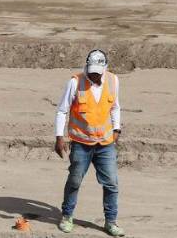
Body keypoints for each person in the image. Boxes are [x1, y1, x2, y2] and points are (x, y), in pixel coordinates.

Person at [54, 50, 124, 237]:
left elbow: (115, 107)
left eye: (98, 72)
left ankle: (111, 221)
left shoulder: (113, 81)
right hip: (81, 143)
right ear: (86, 66)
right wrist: (59, 138)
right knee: (75, 181)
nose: (94, 75)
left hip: (105, 144)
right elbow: (62, 111)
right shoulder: (75, 82)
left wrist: (117, 129)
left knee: (111, 184)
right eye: (91, 71)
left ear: (105, 68)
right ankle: (67, 216)